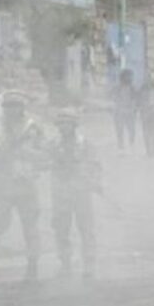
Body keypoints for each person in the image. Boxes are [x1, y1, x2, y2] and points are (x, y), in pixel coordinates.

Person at [0, 91, 44, 288]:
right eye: (7, 106)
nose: (11, 109)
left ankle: (32, 269)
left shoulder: (33, 127)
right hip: (2, 183)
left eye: (15, 106)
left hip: (25, 184)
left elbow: (45, 155)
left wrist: (26, 154)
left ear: (22, 108)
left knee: (30, 229)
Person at [49, 109, 100, 280]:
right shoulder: (53, 144)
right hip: (61, 193)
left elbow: (96, 166)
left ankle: (89, 264)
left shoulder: (84, 144)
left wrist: (94, 180)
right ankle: (65, 263)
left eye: (67, 123)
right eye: (60, 124)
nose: (63, 127)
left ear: (74, 125)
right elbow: (45, 162)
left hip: (81, 193)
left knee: (86, 230)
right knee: (61, 230)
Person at [112, 69, 138, 152]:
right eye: (127, 76)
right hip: (119, 111)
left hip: (129, 112)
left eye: (130, 76)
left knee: (131, 130)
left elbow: (135, 100)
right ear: (122, 77)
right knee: (120, 130)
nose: (129, 78)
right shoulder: (117, 88)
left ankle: (131, 144)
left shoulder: (133, 88)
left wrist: (133, 109)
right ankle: (121, 145)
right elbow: (114, 98)